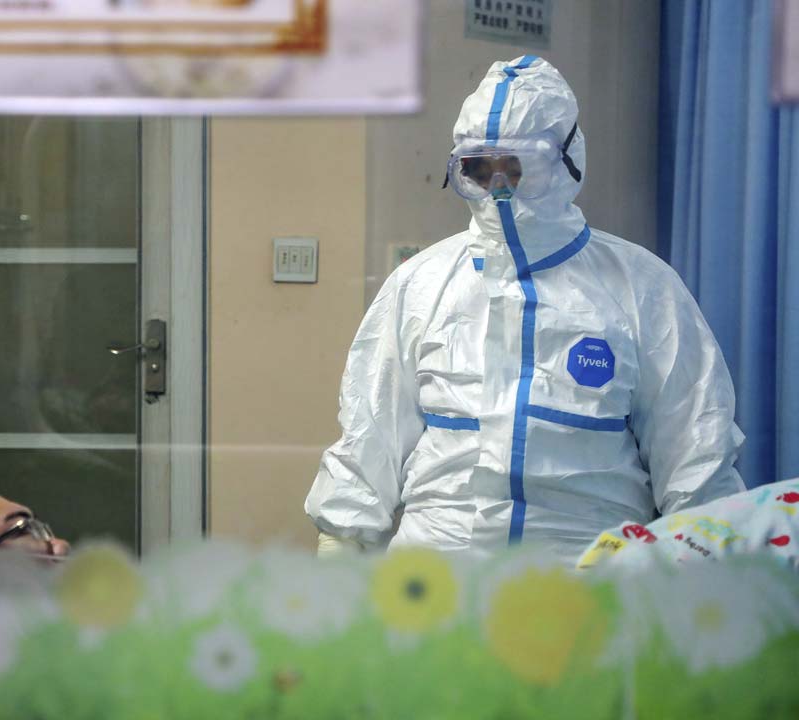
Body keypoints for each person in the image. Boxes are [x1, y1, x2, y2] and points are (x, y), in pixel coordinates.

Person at [305, 56, 745, 564]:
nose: (500, 186)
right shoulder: (420, 286)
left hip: (593, 587)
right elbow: (369, 437)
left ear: (565, 160)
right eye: (479, 169)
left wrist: (711, 578)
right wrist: (339, 549)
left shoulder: (642, 288)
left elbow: (696, 452)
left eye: (517, 167)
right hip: (436, 589)